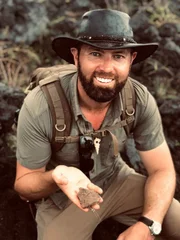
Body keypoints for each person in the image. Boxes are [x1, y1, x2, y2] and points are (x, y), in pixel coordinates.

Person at [14, 9, 180, 240]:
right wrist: (57, 176)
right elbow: (24, 184)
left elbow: (162, 170)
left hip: (116, 179)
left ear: (131, 60)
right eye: (95, 53)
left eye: (118, 56)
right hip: (62, 196)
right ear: (76, 56)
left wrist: (148, 224)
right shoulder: (41, 104)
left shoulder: (139, 99)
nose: (106, 67)